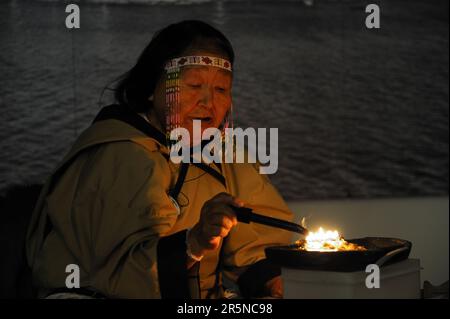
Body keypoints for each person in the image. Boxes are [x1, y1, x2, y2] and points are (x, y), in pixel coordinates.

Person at [26, 20, 293, 299]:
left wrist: (273, 283)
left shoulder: (223, 153)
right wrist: (195, 242)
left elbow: (258, 243)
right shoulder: (118, 152)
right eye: (194, 84)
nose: (208, 102)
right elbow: (122, 272)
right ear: (151, 88)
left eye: (221, 90)